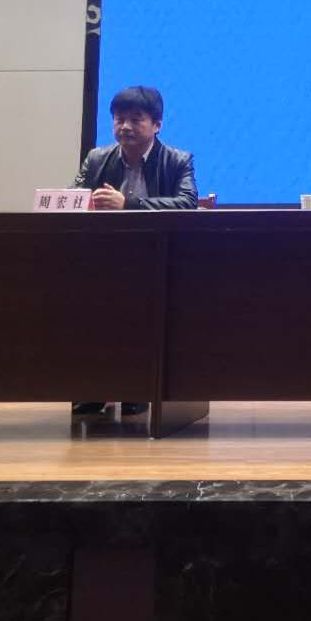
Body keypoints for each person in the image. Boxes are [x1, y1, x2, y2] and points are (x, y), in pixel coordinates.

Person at [71, 85, 198, 417]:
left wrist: (128, 204)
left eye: (135, 119)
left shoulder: (177, 160)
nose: (125, 126)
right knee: (92, 316)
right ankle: (94, 389)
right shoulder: (97, 159)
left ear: (156, 124)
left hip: (157, 260)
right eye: (119, 119)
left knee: (140, 315)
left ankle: (136, 389)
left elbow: (187, 203)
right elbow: (72, 199)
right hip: (103, 259)